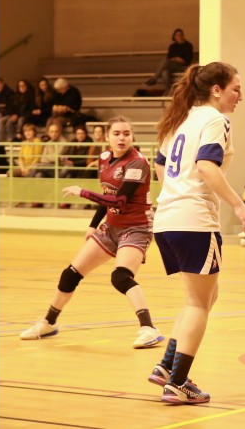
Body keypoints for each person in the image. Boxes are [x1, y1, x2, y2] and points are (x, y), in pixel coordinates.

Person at [148, 62, 245, 405]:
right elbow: (206, 165)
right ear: (216, 90)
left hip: (167, 220)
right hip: (194, 221)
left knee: (203, 299)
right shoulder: (214, 119)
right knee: (200, 302)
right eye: (235, 88)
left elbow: (160, 165)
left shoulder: (180, 119)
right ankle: (178, 383)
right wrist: (241, 206)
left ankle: (167, 366)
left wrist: (174, 195)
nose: (240, 95)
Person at [19, 116, 166, 349]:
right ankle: (48, 323)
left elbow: (119, 200)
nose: (122, 138)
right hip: (112, 226)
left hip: (136, 227)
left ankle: (149, 329)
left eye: (126, 133)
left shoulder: (137, 163)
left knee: (120, 277)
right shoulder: (105, 158)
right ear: (107, 136)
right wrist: (93, 224)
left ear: (132, 136)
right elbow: (107, 194)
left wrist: (83, 192)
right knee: (70, 274)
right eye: (116, 133)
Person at [145, 28, 194, 93]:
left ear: (183, 36)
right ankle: (171, 91)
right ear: (174, 37)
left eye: (180, 35)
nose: (178, 36)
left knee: (165, 62)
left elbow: (188, 60)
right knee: (164, 72)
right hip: (172, 65)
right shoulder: (172, 46)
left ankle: (154, 78)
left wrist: (179, 60)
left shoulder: (188, 45)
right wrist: (176, 58)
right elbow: (169, 57)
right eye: (176, 35)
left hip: (183, 66)